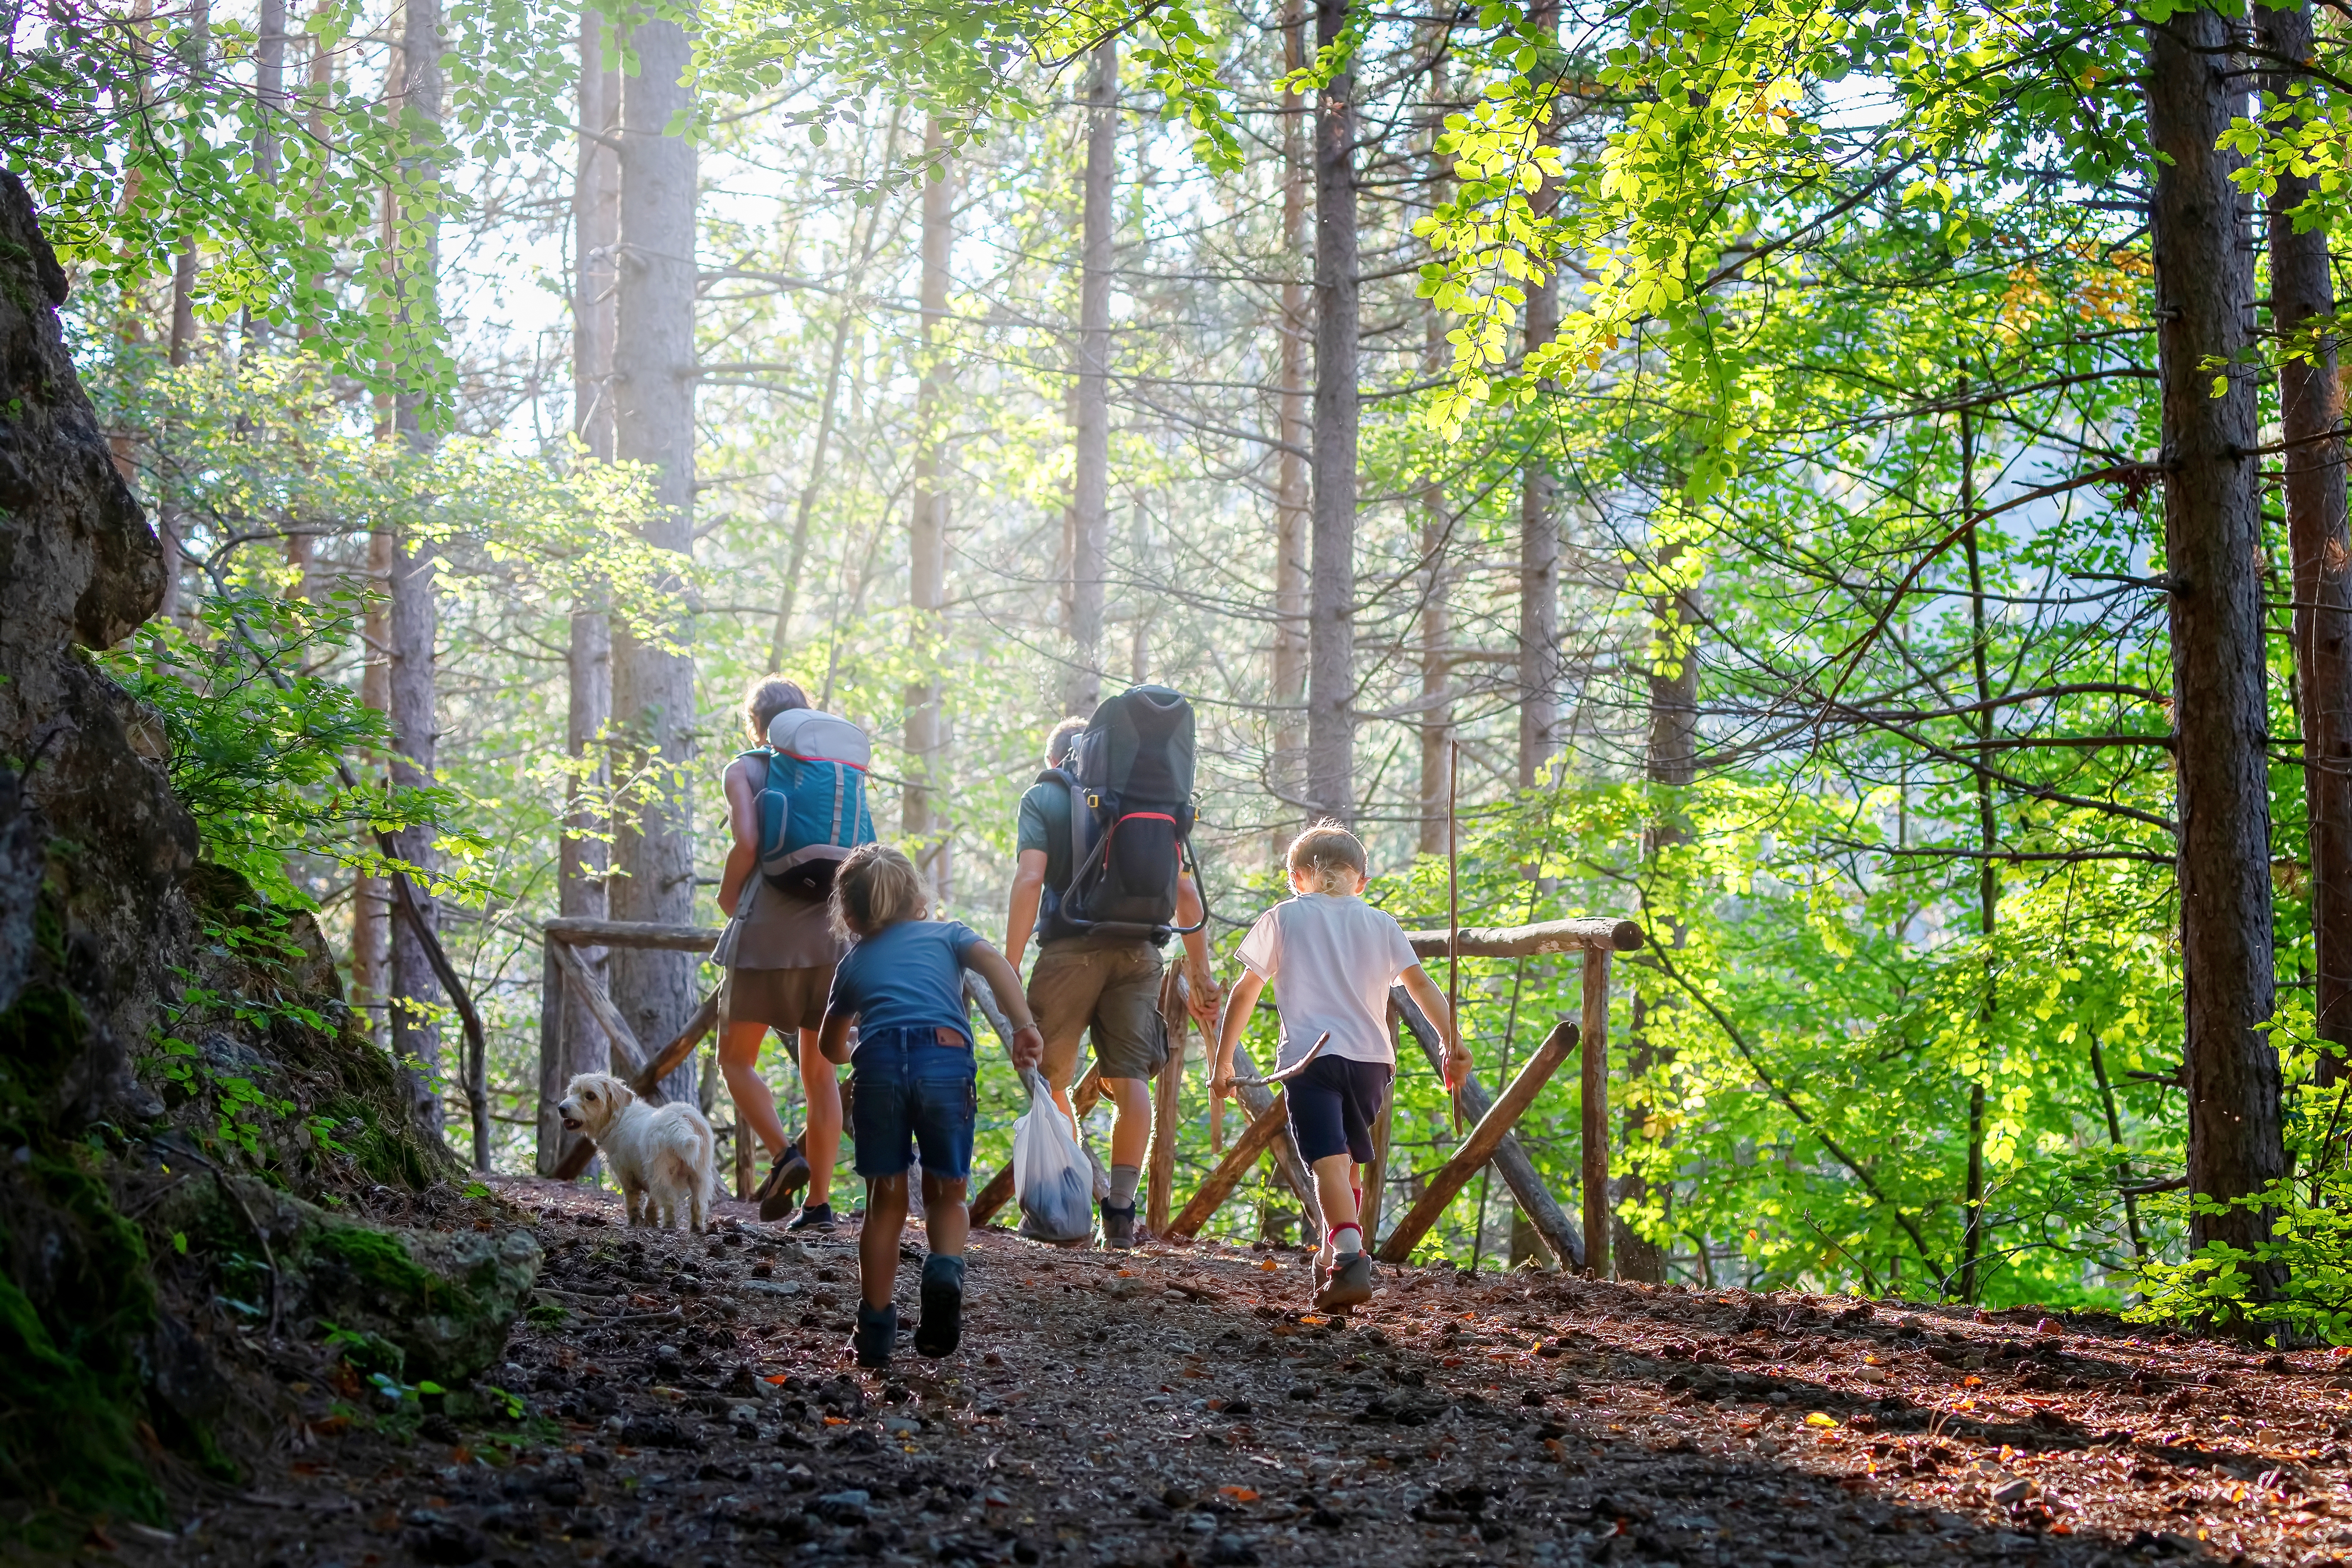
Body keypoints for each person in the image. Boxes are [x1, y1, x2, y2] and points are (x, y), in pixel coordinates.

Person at [1211, 822, 1467, 1312]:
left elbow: (1246, 991)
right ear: (1361, 882)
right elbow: (1421, 987)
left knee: (1326, 1162)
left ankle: (1350, 1259)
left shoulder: (1283, 918)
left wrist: (1223, 1061)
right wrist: (1450, 1039)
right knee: (1344, 1160)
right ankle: (1330, 1256)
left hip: (1310, 1060)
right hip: (1371, 1063)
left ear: (1295, 878)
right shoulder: (1381, 922)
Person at [816, 843, 1043, 1367]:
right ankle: (942, 1270)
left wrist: (856, 1045)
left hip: (878, 1074)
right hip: (944, 1064)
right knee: (947, 1192)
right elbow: (993, 964)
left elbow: (831, 1048)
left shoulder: (853, 964)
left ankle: (874, 1333)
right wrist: (1024, 1026)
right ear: (917, 897)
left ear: (848, 913)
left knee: (885, 1203)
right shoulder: (949, 935)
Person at [1004, 716, 1221, 1248]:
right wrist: (1201, 974)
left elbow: (1031, 878)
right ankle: (1120, 1214)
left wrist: (1007, 966)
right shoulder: (1151, 801)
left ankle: (1065, 1202)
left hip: (1068, 953)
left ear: (1058, 759)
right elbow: (1187, 899)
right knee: (1131, 1084)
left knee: (1048, 1080)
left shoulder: (1045, 796)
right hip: (1139, 952)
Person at [714, 676, 846, 1231]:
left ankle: (783, 1155)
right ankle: (818, 1203)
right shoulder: (837, 773)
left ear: (756, 725)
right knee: (822, 1076)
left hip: (767, 935)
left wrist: (726, 895)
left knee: (735, 1059)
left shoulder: (744, 769)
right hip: (833, 938)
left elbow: (747, 843)